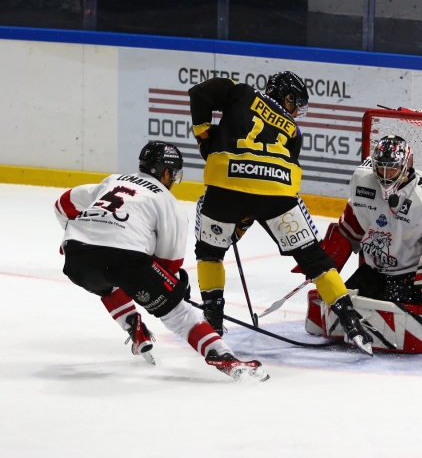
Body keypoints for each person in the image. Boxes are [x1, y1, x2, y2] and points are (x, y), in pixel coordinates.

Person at [189, 71, 373, 355]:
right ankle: (350, 320)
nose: (296, 111)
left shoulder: (240, 92)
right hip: (277, 194)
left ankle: (213, 318)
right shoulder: (294, 131)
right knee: (314, 257)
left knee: (209, 252)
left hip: (226, 186)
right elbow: (267, 182)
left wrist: (204, 136)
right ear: (285, 96)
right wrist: (249, 213)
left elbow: (199, 93)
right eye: (295, 102)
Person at [54, 141, 267, 381]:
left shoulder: (112, 181)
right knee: (179, 314)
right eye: (174, 174)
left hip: (76, 258)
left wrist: (79, 236)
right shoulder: (168, 202)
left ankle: (135, 329)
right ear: (166, 172)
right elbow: (169, 263)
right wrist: (173, 291)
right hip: (124, 259)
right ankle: (226, 359)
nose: (174, 180)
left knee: (108, 281)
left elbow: (62, 204)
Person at [318, 135, 422, 305]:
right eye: (381, 168)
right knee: (335, 313)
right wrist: (323, 267)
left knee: (392, 323)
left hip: (409, 280)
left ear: (407, 164)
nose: (386, 175)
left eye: (392, 168)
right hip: (371, 273)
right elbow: (349, 231)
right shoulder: (362, 182)